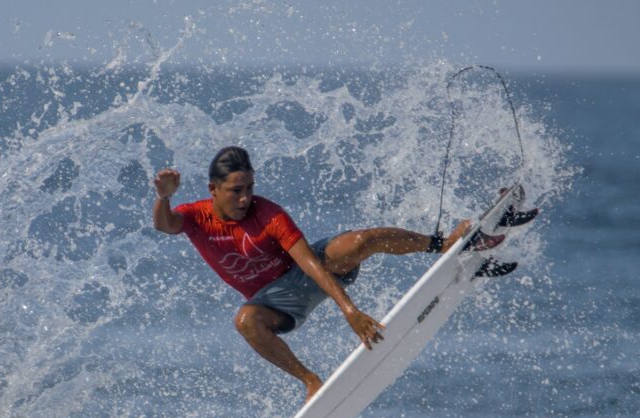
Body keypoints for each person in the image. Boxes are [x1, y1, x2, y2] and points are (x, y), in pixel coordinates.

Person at [152, 146, 496, 402]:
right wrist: (163, 198)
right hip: (277, 300)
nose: (245, 198)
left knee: (363, 240)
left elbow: (308, 262)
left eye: (249, 188)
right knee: (245, 321)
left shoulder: (269, 214)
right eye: (235, 190)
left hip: (307, 273)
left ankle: (443, 243)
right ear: (213, 189)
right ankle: (310, 381)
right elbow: (164, 225)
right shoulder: (196, 216)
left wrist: (348, 309)